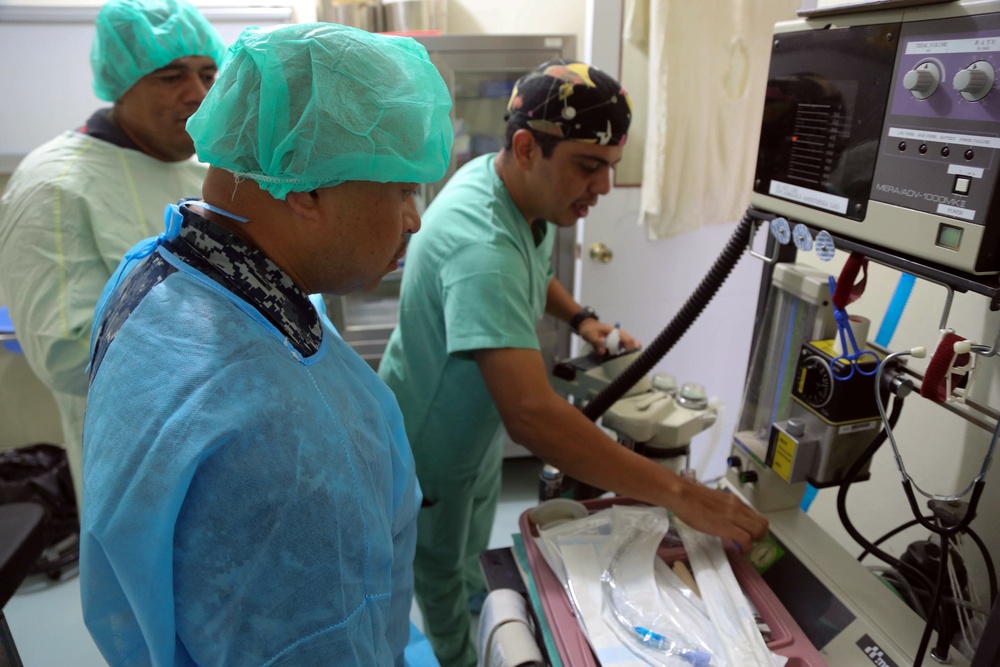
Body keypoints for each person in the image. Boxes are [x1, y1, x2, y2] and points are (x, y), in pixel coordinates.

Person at [79, 23, 453, 666]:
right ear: (305, 188)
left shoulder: (159, 269)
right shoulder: (281, 436)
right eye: (402, 189)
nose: (415, 219)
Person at [378, 60, 770, 667]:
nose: (603, 188)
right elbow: (532, 416)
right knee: (439, 574)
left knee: (471, 554)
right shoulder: (480, 242)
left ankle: (487, 614)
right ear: (528, 147)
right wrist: (679, 494)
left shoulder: (508, 190)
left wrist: (582, 318)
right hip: (433, 442)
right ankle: (460, 655)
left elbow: (535, 270)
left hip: (473, 429)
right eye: (588, 166)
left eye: (610, 168)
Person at [0, 0, 226, 509]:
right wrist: (235, 350)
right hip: (136, 472)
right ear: (122, 83)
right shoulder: (56, 186)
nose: (199, 93)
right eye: (171, 77)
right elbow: (65, 354)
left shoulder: (201, 175)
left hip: (227, 444)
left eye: (208, 72)